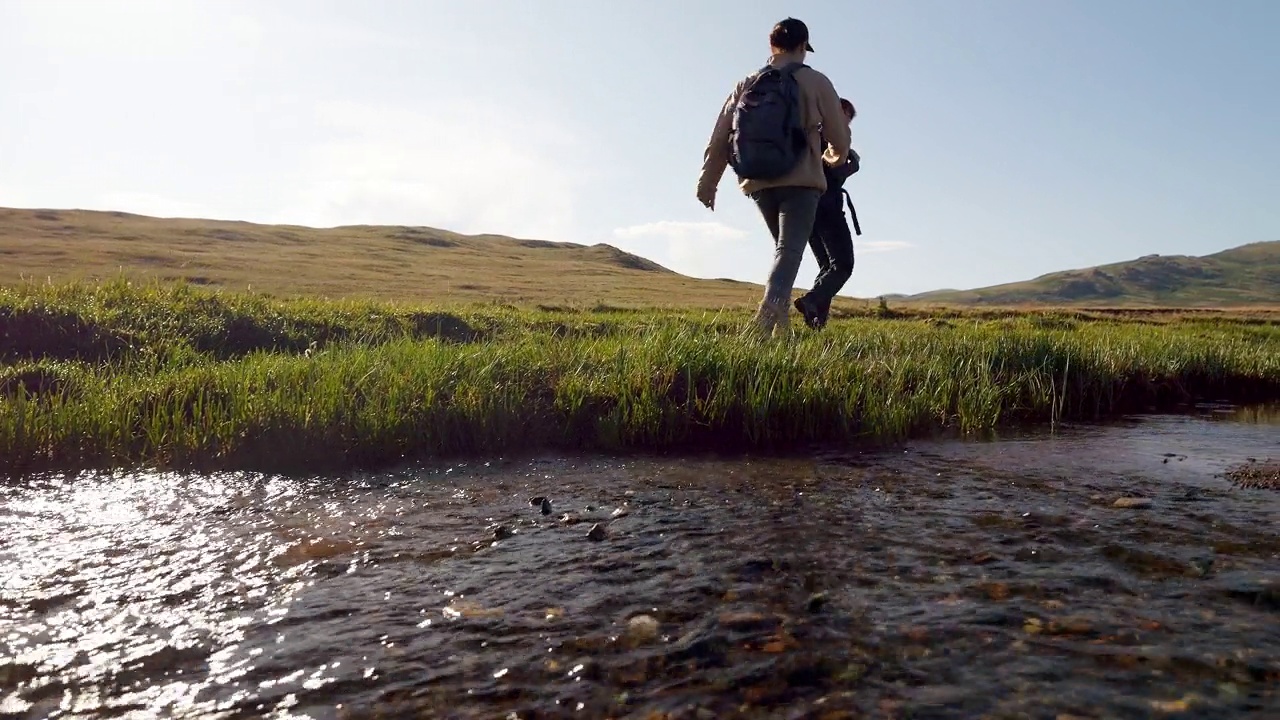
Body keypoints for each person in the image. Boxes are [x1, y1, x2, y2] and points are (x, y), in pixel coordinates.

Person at [696, 18, 851, 337]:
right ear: (802, 47)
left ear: (772, 46)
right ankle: (766, 318)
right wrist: (832, 157)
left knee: (784, 250)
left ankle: (781, 331)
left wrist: (708, 182)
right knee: (789, 251)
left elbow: (720, 135)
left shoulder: (747, 83)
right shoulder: (816, 81)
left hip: (757, 180)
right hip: (802, 180)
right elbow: (839, 135)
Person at [794, 98, 859, 330]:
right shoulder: (831, 137)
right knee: (842, 265)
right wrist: (851, 165)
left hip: (807, 207)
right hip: (827, 207)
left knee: (827, 266)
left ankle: (816, 322)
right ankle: (811, 301)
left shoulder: (809, 132)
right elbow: (831, 170)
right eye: (846, 115)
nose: (847, 122)